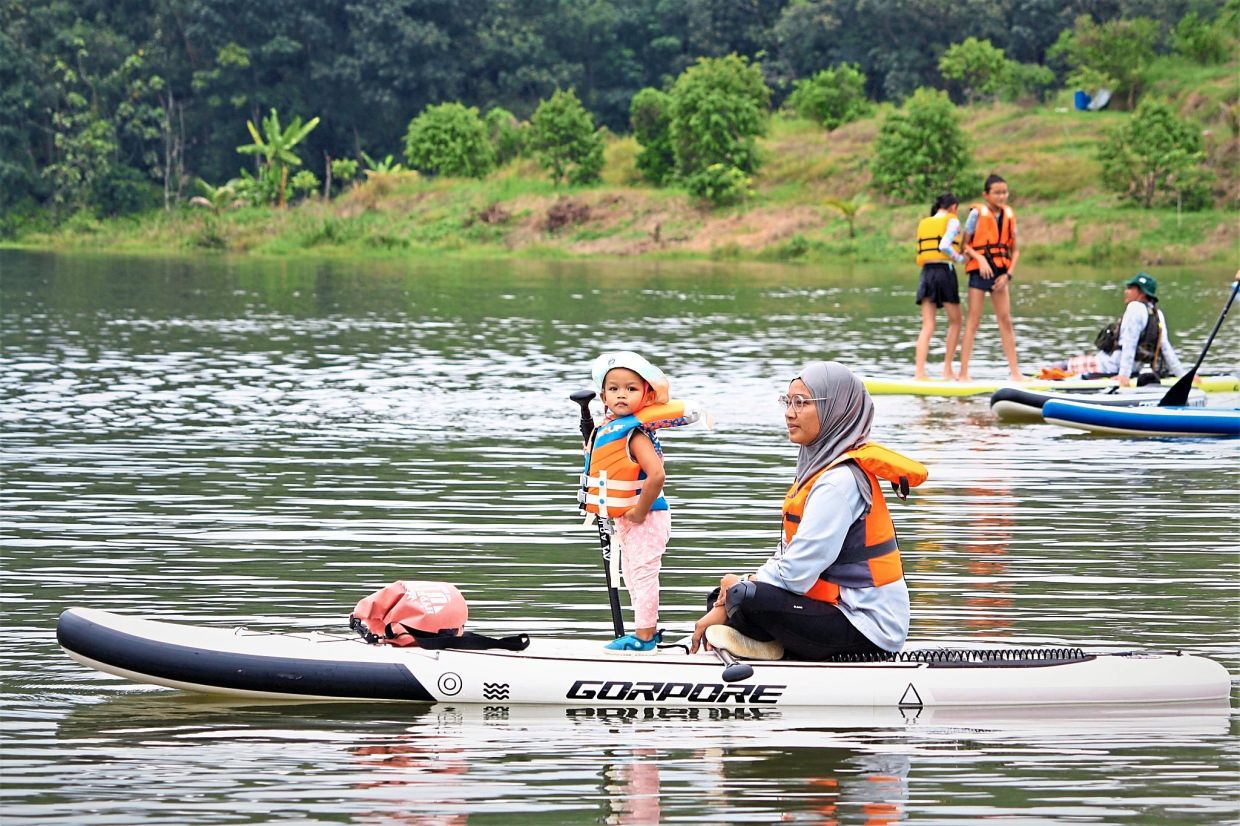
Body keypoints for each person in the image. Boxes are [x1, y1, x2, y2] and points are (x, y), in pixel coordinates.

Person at [689, 361, 926, 661]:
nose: (789, 412)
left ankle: (768, 644)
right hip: (830, 610)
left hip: (867, 627)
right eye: (787, 402)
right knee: (723, 595)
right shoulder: (818, 468)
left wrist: (739, 590)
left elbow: (797, 573)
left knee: (739, 595)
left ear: (836, 411)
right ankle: (766, 643)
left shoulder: (838, 482)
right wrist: (728, 597)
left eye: (801, 403)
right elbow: (788, 554)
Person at [584, 351, 672, 652]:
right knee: (634, 577)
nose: (622, 394)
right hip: (626, 516)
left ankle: (645, 638)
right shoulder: (607, 432)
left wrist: (638, 511)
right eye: (614, 389)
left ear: (645, 394)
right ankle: (642, 631)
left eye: (631, 389)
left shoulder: (635, 434)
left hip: (646, 516)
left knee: (643, 574)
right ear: (603, 396)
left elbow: (657, 475)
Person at [1046, 272, 1186, 386]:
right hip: (1133, 369)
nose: (1126, 291)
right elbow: (1166, 349)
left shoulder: (1135, 308)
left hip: (1110, 367)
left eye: (1130, 288)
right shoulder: (1157, 314)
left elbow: (1129, 344)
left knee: (1060, 366)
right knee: (1068, 365)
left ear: (1141, 293)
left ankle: (1041, 381)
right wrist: (1183, 376)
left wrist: (1123, 376)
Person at [958, 174, 1023, 382]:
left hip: (1000, 274)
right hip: (979, 271)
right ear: (986, 194)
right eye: (997, 192)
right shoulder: (976, 215)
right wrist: (980, 259)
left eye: (1004, 192)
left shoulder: (1010, 216)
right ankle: (963, 373)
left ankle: (1015, 372)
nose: (1002, 196)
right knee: (973, 321)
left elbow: (1015, 251)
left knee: (1006, 320)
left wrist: (1008, 275)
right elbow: (964, 245)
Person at [914, 193, 966, 380]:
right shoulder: (952, 221)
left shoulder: (924, 222)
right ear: (953, 207)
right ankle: (947, 370)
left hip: (927, 272)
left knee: (927, 324)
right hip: (944, 271)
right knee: (956, 321)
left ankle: (919, 373)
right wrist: (961, 258)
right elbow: (945, 244)